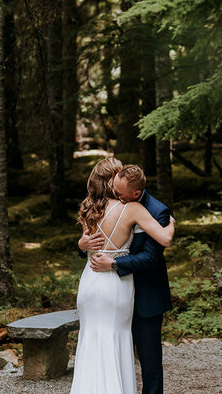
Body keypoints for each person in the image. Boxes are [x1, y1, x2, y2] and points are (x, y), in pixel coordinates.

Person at [71, 158, 174, 394]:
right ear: (112, 181)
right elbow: (165, 239)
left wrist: (114, 263)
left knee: (101, 343)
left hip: (118, 286)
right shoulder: (130, 209)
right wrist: (81, 244)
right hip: (115, 287)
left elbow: (152, 257)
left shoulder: (90, 208)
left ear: (133, 188)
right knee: (112, 341)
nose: (119, 193)